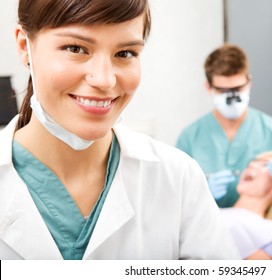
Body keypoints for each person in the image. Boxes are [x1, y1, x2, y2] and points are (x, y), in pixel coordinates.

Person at [0, 0, 240, 260]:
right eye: (76, 48)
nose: (105, 80)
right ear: (25, 46)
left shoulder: (178, 178)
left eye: (125, 53)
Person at [176, 44, 272, 209]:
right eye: (223, 90)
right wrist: (199, 193)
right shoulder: (190, 137)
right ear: (208, 87)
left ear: (249, 82)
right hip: (214, 231)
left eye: (238, 88)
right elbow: (172, 197)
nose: (232, 97)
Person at [220, 151, 272, 260]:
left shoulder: (269, 234)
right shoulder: (216, 211)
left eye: (265, 165)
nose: (252, 165)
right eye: (250, 164)